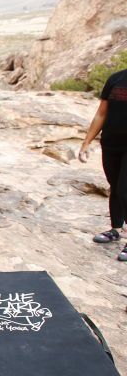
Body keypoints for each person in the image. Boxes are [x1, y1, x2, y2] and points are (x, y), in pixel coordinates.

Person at [78, 68, 127, 261]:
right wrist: (86, 142)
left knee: (125, 190)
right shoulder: (116, 79)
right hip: (111, 142)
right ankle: (116, 229)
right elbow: (101, 114)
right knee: (115, 187)